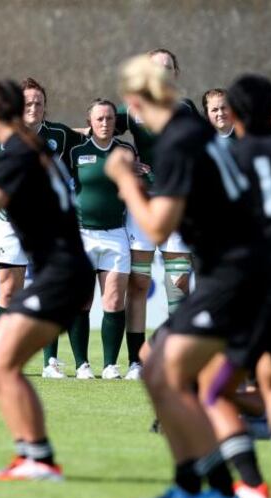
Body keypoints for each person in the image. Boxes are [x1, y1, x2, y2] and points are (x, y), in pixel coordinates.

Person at [105, 55, 262, 498]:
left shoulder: (179, 139)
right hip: (232, 271)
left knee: (170, 373)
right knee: (155, 366)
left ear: (134, 102)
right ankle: (191, 487)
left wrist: (124, 180)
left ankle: (220, 491)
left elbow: (157, 227)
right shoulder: (191, 132)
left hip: (236, 275)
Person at [0, 79, 92, 481]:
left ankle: (38, 459)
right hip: (63, 271)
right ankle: (34, 456)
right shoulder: (34, 148)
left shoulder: (18, 155)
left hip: (61, 275)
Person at [198, 75, 271, 498]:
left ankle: (252, 483)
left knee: (213, 391)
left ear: (235, 113)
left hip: (251, 290)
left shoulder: (230, 157)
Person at [0, 77, 85, 379]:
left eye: (38, 103)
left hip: (49, 238)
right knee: (8, 290)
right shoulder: (8, 141)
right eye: (27, 103)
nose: (33, 107)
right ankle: (0, 356)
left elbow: (90, 138)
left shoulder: (52, 137)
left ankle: (50, 362)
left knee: (45, 292)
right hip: (10, 224)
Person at [115, 49, 200, 381]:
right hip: (143, 202)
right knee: (138, 282)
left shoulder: (185, 110)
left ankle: (179, 363)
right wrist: (126, 156)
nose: (161, 72)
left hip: (177, 202)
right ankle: (136, 362)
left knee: (179, 283)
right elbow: (99, 129)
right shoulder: (132, 109)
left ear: (176, 73)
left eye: (167, 67)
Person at [66, 100, 135, 380]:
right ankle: (81, 364)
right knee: (81, 302)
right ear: (90, 122)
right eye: (99, 119)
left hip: (116, 234)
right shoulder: (76, 151)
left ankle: (110, 365)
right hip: (82, 235)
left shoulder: (126, 152)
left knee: (114, 302)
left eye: (109, 118)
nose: (104, 123)